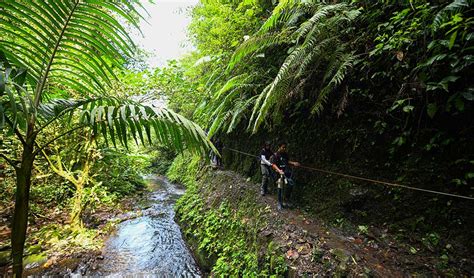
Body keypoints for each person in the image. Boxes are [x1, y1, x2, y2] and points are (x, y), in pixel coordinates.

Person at [270, 142, 300, 210]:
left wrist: (294, 163)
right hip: (279, 174)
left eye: (285, 147)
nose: (284, 149)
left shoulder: (285, 154)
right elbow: (273, 164)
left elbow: (287, 161)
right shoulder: (276, 155)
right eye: (283, 147)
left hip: (286, 172)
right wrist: (279, 170)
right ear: (279, 147)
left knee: (290, 184)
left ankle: (287, 199)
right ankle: (279, 203)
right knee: (280, 187)